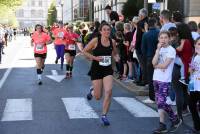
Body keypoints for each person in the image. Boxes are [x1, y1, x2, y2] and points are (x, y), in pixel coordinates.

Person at [83, 23, 119, 126]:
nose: (107, 31)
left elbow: (114, 53)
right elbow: (84, 51)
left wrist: (116, 57)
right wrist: (95, 58)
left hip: (107, 69)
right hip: (96, 69)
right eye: (105, 30)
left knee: (109, 91)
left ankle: (104, 115)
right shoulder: (95, 41)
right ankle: (93, 91)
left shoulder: (112, 42)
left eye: (108, 30)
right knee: (98, 96)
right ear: (100, 31)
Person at [152, 31, 182, 133]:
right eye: (161, 38)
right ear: (159, 39)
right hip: (156, 78)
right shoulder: (159, 49)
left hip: (165, 80)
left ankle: (175, 119)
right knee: (159, 103)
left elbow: (165, 65)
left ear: (169, 39)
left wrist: (156, 66)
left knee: (161, 102)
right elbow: (153, 62)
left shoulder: (171, 50)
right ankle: (162, 124)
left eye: (165, 38)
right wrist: (157, 50)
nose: (163, 40)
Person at [141, 18, 160, 104]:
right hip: (159, 57)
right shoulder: (159, 33)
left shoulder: (145, 34)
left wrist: (145, 57)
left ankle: (152, 97)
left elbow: (143, 48)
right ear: (155, 23)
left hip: (149, 58)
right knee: (160, 78)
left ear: (148, 25)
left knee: (151, 78)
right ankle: (160, 96)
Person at [188, 37, 200, 134]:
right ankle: (197, 126)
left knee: (192, 105)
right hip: (195, 85)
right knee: (192, 105)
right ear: (195, 45)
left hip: (197, 86)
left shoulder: (197, 57)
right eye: (199, 44)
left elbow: (191, 70)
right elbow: (191, 71)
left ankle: (197, 126)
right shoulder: (195, 56)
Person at [135, 8, 148, 86]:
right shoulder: (148, 21)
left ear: (142, 15)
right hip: (147, 46)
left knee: (142, 64)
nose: (139, 16)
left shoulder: (140, 23)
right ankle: (142, 79)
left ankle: (144, 80)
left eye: (139, 15)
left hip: (140, 46)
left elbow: (139, 36)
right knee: (144, 64)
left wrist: (137, 47)